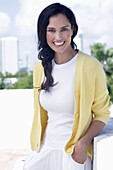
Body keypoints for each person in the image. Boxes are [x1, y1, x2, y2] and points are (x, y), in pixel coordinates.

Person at [23, 3, 112, 170]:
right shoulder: (39, 69)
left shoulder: (91, 66)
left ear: (72, 29)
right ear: (44, 32)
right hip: (44, 150)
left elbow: (102, 113)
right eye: (51, 30)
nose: (58, 36)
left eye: (64, 29)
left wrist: (82, 145)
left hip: (73, 155)